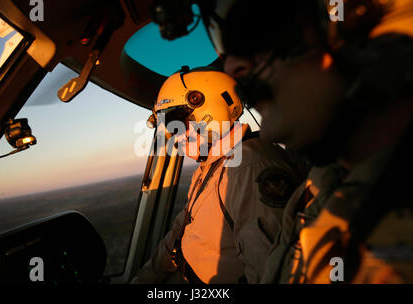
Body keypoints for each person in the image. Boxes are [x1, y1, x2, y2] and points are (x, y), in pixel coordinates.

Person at [150, 0, 413, 283]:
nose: (232, 65)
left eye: (253, 31)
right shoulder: (322, 186)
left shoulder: (251, 166)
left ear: (359, 16)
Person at [131, 67, 307, 283]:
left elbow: (267, 272)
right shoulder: (213, 164)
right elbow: (181, 226)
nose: (174, 137)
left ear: (209, 107)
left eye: (175, 123)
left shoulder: (250, 169)